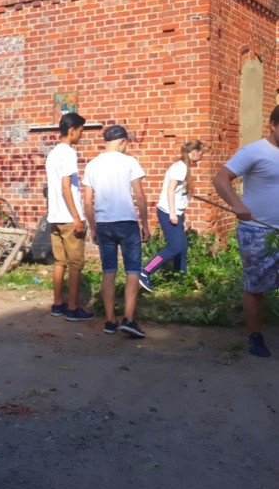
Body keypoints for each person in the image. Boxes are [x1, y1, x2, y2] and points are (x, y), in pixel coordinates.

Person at [213, 105, 279, 358]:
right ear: (273, 125)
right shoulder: (254, 151)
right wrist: (237, 205)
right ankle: (255, 336)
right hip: (257, 232)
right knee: (256, 286)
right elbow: (221, 179)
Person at [82, 125, 150, 338]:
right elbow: (140, 196)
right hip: (127, 223)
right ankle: (128, 319)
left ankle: (110, 321)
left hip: (104, 223)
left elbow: (87, 202)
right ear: (122, 141)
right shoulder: (130, 162)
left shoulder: (92, 165)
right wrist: (145, 224)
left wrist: (93, 227)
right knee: (133, 270)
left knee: (108, 271)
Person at [45, 113, 93, 321]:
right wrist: (76, 217)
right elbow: (66, 187)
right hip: (68, 217)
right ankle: (73, 308)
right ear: (72, 130)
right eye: (81, 131)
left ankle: (58, 304)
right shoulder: (69, 153)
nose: (81, 135)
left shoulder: (53, 153)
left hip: (55, 216)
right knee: (75, 264)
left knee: (59, 262)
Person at [140, 140, 205, 292]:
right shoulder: (180, 167)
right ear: (194, 152)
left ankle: (180, 278)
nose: (201, 157)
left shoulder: (183, 166)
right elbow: (170, 190)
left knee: (182, 247)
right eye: (200, 154)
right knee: (175, 247)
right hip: (168, 212)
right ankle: (144, 271)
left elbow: (177, 192)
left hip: (175, 212)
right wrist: (173, 213)